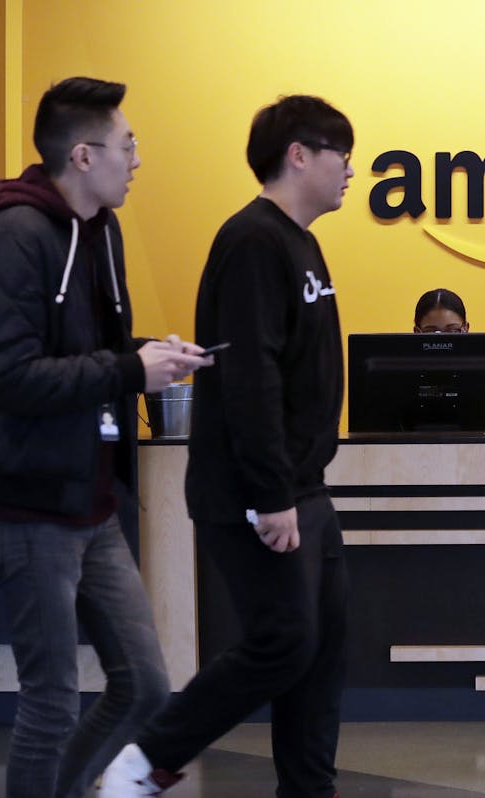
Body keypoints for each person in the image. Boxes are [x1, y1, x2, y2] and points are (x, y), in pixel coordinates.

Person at [0, 77, 209, 798]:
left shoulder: (100, 230)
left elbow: (85, 350)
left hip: (92, 504)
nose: (138, 159)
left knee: (145, 687)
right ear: (84, 155)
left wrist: (150, 356)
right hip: (30, 510)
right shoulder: (13, 241)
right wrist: (130, 368)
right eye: (127, 146)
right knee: (48, 704)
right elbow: (8, 377)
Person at [100, 95, 355, 797]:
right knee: (283, 642)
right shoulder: (252, 241)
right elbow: (249, 378)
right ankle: (144, 762)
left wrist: (296, 488)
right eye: (342, 154)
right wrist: (272, 496)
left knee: (322, 653)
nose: (351, 171)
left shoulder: (302, 241)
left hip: (306, 487)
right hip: (254, 491)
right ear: (298, 154)